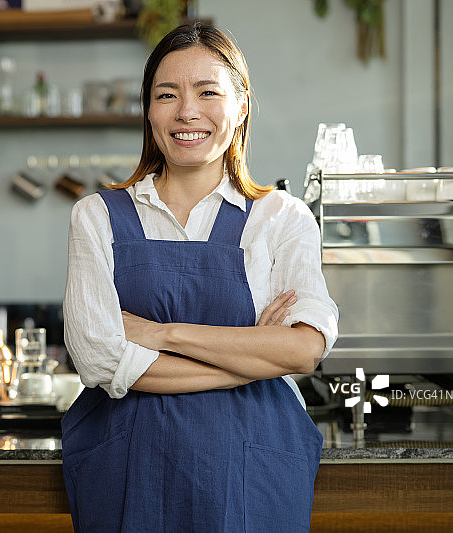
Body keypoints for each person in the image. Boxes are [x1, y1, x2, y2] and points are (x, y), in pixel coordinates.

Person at [61, 22, 339, 533]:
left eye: (208, 92)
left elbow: (304, 350)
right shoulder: (96, 216)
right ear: (149, 111)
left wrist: (159, 334)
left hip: (256, 465)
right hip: (126, 466)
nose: (186, 112)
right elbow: (100, 359)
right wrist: (257, 356)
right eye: (167, 95)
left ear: (241, 106)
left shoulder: (282, 219)